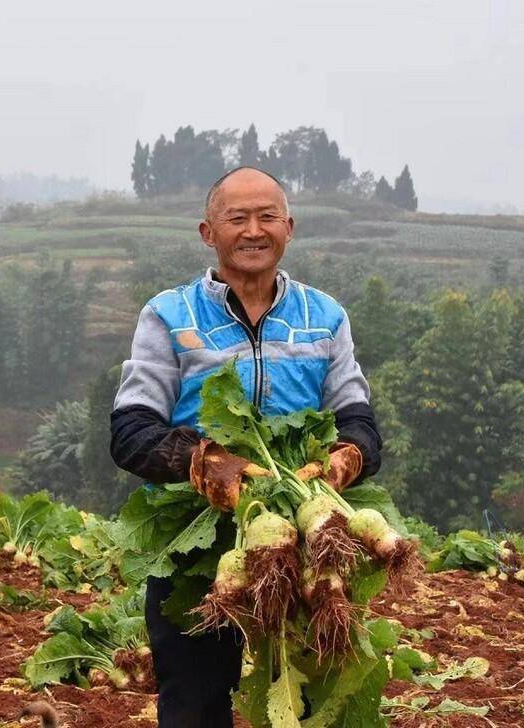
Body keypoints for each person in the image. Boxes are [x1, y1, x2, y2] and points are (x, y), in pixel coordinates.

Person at [109, 167, 382, 727]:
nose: (253, 231)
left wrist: (344, 459)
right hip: (197, 545)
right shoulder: (168, 315)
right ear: (209, 232)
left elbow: (359, 420)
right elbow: (132, 431)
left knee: (308, 706)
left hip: (306, 548)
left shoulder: (325, 317)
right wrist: (205, 462)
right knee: (193, 704)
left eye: (267, 217)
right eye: (237, 218)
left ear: (290, 227)